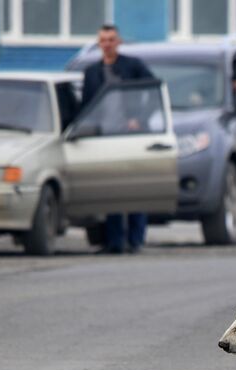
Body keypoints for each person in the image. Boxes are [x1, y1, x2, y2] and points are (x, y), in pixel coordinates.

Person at [81, 23, 155, 254]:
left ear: (118, 41)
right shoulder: (92, 72)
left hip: (132, 137)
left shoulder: (133, 66)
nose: (107, 44)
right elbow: (86, 107)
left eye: (111, 39)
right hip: (105, 138)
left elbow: (154, 91)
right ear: (98, 43)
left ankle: (136, 240)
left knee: (135, 189)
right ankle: (113, 242)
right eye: (103, 40)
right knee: (111, 190)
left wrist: (139, 118)